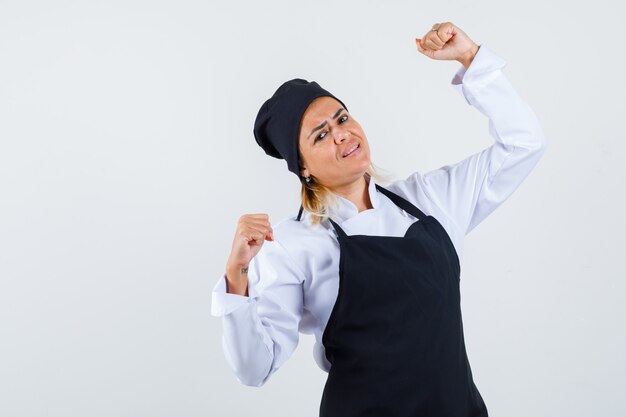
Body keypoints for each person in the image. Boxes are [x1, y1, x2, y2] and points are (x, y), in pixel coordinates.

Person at [211, 21, 547, 416]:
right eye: (319, 135)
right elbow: (255, 369)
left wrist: (472, 59)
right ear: (302, 168)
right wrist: (237, 276)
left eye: (342, 118)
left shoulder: (429, 200)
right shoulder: (291, 243)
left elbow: (525, 143)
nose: (341, 134)